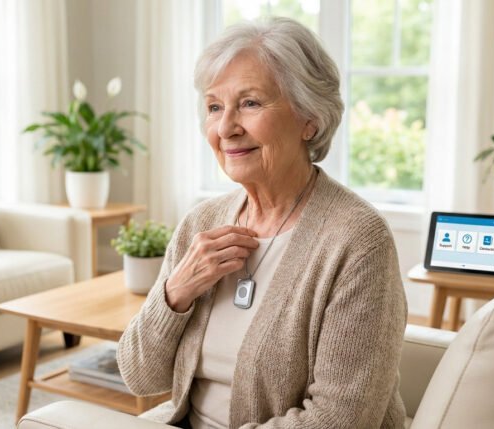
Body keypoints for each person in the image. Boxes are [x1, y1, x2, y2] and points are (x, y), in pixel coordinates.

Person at [117, 17, 407, 429]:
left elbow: (342, 419)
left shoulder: (358, 240)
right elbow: (140, 377)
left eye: (250, 103)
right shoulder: (201, 222)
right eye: (214, 107)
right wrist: (176, 292)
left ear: (311, 119)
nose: (225, 128)